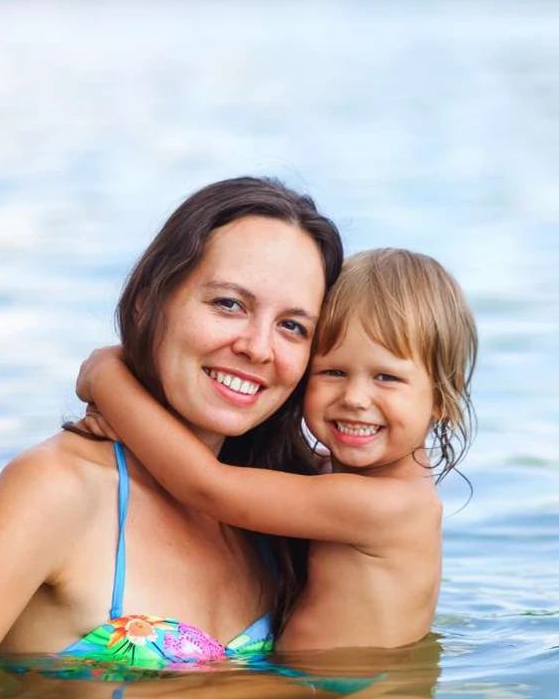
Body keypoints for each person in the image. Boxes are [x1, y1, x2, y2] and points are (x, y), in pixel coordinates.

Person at [0, 176, 345, 695]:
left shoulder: (280, 511)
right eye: (229, 304)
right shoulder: (58, 488)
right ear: (148, 303)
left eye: (293, 326)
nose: (258, 347)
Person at [73, 247, 478, 653]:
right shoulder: (348, 479)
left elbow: (209, 487)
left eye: (387, 378)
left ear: (442, 397)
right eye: (333, 372)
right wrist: (139, 430)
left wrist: (107, 378)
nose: (355, 398)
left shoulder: (386, 505)